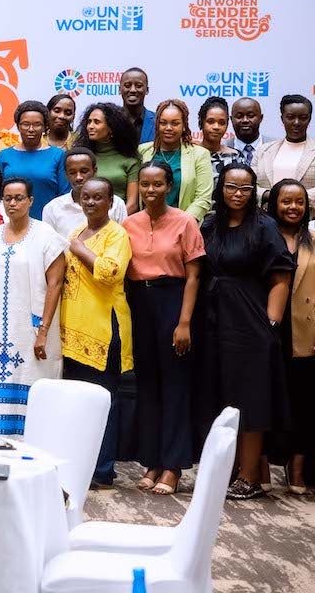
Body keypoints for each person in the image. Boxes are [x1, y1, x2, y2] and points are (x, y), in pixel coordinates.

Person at [198, 162, 294, 499]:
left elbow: (281, 277)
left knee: (251, 399)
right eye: (231, 187)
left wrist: (271, 324)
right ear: (221, 188)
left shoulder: (265, 226)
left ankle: (250, 476)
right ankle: (227, 470)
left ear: (254, 192)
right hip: (213, 319)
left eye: (245, 188)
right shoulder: (211, 224)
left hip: (251, 322)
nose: (237, 194)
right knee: (221, 396)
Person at [124, 162, 205, 496]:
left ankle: (172, 466)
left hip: (173, 300)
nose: (151, 191)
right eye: (145, 185)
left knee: (174, 384)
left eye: (158, 184)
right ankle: (152, 461)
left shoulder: (185, 221)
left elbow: (195, 276)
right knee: (148, 383)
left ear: (169, 186)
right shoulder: (129, 223)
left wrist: (184, 322)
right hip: (138, 303)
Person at [60, 177, 133, 488]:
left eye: (98, 198)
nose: (90, 202)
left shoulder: (117, 234)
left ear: (111, 201)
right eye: (85, 197)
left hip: (105, 329)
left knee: (103, 401)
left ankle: (102, 470)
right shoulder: (77, 231)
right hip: (74, 329)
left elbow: (109, 273)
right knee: (78, 403)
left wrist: (79, 249)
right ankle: (81, 465)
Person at [0, 176, 66, 436]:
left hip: (34, 329)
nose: (13, 203)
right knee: (0, 391)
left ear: (31, 201)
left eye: (19, 198)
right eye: (8, 198)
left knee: (35, 385)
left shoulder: (46, 235)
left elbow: (55, 285)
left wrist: (42, 331)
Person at [268, 180, 315, 494]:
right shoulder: (263, 233)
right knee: (268, 397)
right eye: (286, 201)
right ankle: (262, 463)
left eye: (299, 202)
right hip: (268, 325)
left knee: (305, 401)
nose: (293, 208)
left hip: (305, 327)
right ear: (274, 204)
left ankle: (297, 467)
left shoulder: (313, 237)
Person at [137, 99, 213, 221]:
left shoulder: (200, 154)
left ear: (184, 126)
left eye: (175, 123)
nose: (168, 128)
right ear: (157, 125)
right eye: (163, 123)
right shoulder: (142, 151)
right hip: (147, 228)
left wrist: (181, 225)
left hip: (184, 228)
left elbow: (203, 198)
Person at [0, 100, 68, 220]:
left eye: (37, 124)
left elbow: (64, 196)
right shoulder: (5, 156)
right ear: (18, 126)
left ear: (45, 127)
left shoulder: (58, 155)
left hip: (48, 225)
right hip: (11, 224)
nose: (31, 129)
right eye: (25, 124)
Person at [42, 147, 129, 238]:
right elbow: (49, 247)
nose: (78, 177)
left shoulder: (115, 204)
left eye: (84, 171)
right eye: (72, 173)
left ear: (94, 171)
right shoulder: (52, 209)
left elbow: (123, 240)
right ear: (66, 175)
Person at [73, 102, 141, 212]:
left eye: (97, 122)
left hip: (119, 223)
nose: (90, 126)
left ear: (111, 128)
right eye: (89, 122)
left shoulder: (130, 159)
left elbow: (132, 204)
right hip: (84, 220)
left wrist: (109, 225)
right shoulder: (83, 158)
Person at [253, 94, 315, 201]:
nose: (296, 123)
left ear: (309, 119)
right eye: (290, 117)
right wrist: (269, 196)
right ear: (282, 119)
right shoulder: (263, 151)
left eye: (303, 118)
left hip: (308, 215)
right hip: (267, 215)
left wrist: (291, 199)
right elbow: (250, 185)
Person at [198, 96, 244, 183]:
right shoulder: (190, 155)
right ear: (201, 123)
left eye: (221, 123)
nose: (216, 127)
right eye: (210, 121)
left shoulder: (235, 156)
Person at [228, 96, 272, 165]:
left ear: (261, 118)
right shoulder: (221, 149)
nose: (245, 120)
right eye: (239, 116)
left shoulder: (275, 147)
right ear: (231, 119)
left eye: (251, 116)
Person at [119, 67, 155, 144]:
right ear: (119, 89)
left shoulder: (158, 122)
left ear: (147, 90)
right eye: (127, 85)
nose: (133, 90)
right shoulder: (109, 121)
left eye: (138, 86)